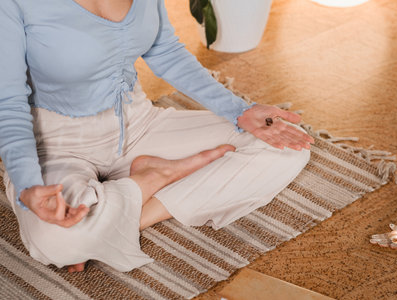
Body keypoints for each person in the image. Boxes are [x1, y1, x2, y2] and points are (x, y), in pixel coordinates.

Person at [0, 0, 313, 273]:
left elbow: (166, 51)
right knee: (56, 240)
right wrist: (28, 185)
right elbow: (8, 104)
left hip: (140, 123)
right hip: (56, 145)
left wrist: (240, 111)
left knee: (285, 147)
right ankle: (151, 179)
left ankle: (127, 213)